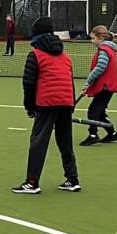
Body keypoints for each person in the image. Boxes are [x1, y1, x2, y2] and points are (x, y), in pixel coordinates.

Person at [14, 18, 80, 195]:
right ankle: (72, 179)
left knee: (38, 142)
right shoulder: (65, 56)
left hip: (46, 103)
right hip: (66, 101)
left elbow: (28, 84)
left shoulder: (35, 55)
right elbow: (70, 80)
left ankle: (32, 182)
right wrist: (71, 104)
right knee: (65, 142)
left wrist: (29, 107)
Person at [80, 25, 117, 147]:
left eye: (93, 38)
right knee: (100, 111)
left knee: (93, 111)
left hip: (105, 86)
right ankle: (112, 133)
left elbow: (100, 67)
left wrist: (88, 82)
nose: (91, 41)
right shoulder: (109, 49)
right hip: (108, 85)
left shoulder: (104, 50)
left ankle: (93, 135)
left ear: (101, 38)